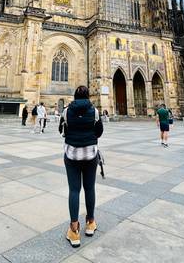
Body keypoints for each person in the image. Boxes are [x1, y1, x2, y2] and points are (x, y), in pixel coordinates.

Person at [59, 85, 103, 248]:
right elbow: (99, 132)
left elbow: (62, 130)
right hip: (90, 154)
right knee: (89, 188)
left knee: (74, 190)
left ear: (75, 96)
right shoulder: (95, 111)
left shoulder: (66, 111)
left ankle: (74, 230)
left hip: (72, 154)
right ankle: (91, 223)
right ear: (88, 96)